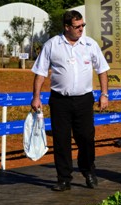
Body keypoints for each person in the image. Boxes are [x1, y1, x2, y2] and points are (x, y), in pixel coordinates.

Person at [31, 10, 110, 191]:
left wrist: (104, 94)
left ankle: (88, 170)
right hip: (60, 101)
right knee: (61, 140)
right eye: (77, 26)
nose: (81, 29)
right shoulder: (52, 45)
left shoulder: (90, 44)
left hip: (84, 100)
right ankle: (64, 178)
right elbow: (40, 72)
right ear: (66, 27)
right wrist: (36, 97)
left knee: (86, 138)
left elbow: (102, 69)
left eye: (83, 25)